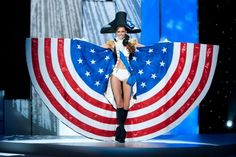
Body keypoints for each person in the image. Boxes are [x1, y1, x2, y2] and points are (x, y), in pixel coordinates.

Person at [100, 11, 143, 143]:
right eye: (118, 31)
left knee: (126, 104)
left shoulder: (131, 42)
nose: (120, 33)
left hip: (127, 75)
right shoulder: (111, 43)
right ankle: (121, 130)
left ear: (126, 31)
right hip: (116, 74)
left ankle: (121, 130)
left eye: (122, 31)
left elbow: (146, 48)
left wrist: (161, 45)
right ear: (115, 32)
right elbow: (97, 48)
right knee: (118, 102)